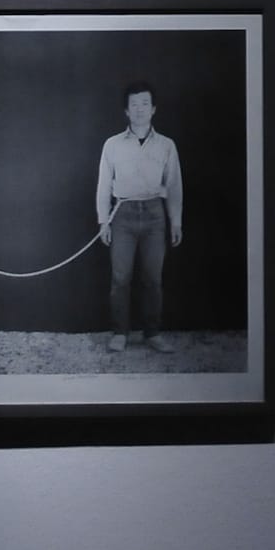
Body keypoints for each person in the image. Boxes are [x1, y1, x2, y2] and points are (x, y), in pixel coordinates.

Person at [95, 81, 183, 354]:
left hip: (155, 216)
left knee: (153, 278)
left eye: (145, 103)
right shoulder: (112, 145)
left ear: (153, 109)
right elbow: (103, 184)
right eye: (134, 104)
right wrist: (103, 221)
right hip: (122, 216)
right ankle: (119, 333)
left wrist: (176, 220)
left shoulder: (167, 145)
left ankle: (152, 333)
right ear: (126, 110)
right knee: (121, 277)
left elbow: (174, 186)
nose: (140, 109)